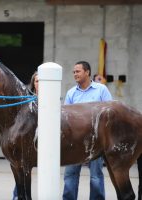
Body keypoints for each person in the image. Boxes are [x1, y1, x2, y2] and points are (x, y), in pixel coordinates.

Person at [63, 61, 112, 200]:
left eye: (77, 71)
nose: (75, 74)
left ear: (87, 72)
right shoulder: (71, 93)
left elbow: (110, 114)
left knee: (96, 176)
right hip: (74, 143)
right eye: (73, 72)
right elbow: (65, 118)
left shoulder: (101, 90)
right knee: (70, 175)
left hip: (96, 141)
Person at [12, 71, 38, 200]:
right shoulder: (27, 100)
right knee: (20, 171)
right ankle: (17, 196)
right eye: (37, 81)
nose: (40, 84)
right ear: (33, 83)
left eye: (42, 81)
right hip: (27, 141)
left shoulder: (52, 98)